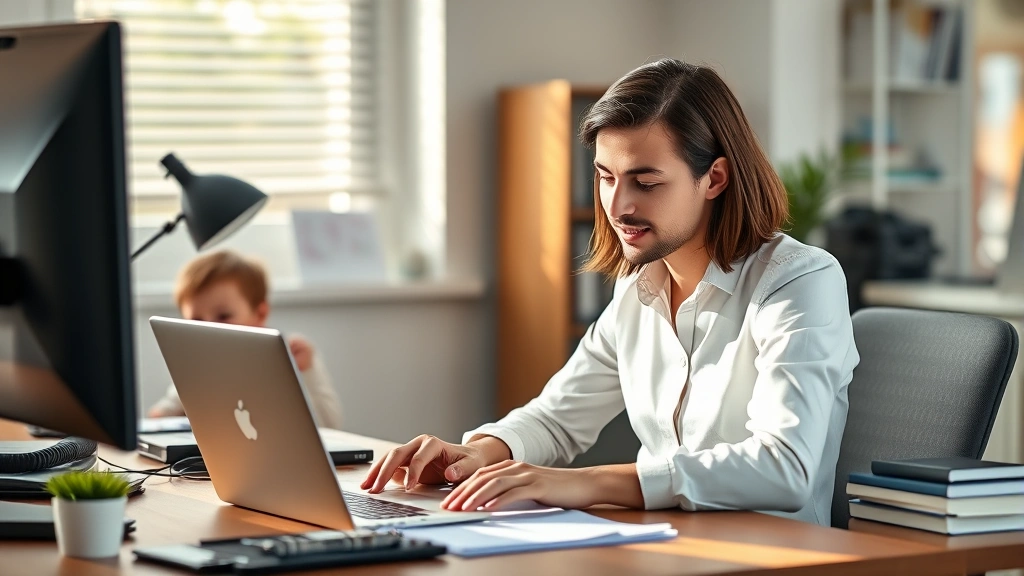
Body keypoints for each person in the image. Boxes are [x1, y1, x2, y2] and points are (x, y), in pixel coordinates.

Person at [361, 58, 859, 527]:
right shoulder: (638, 287)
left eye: (645, 182)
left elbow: (784, 466)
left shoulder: (799, 282)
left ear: (715, 179)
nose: (618, 205)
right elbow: (559, 417)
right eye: (605, 177)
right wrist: (480, 452)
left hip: (778, 556)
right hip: (662, 545)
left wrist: (584, 483)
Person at [147, 250, 344, 430]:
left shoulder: (291, 356)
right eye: (196, 320)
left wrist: (305, 373)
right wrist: (160, 418)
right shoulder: (200, 367)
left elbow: (330, 426)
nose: (209, 326)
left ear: (260, 314)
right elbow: (163, 414)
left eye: (223, 316)